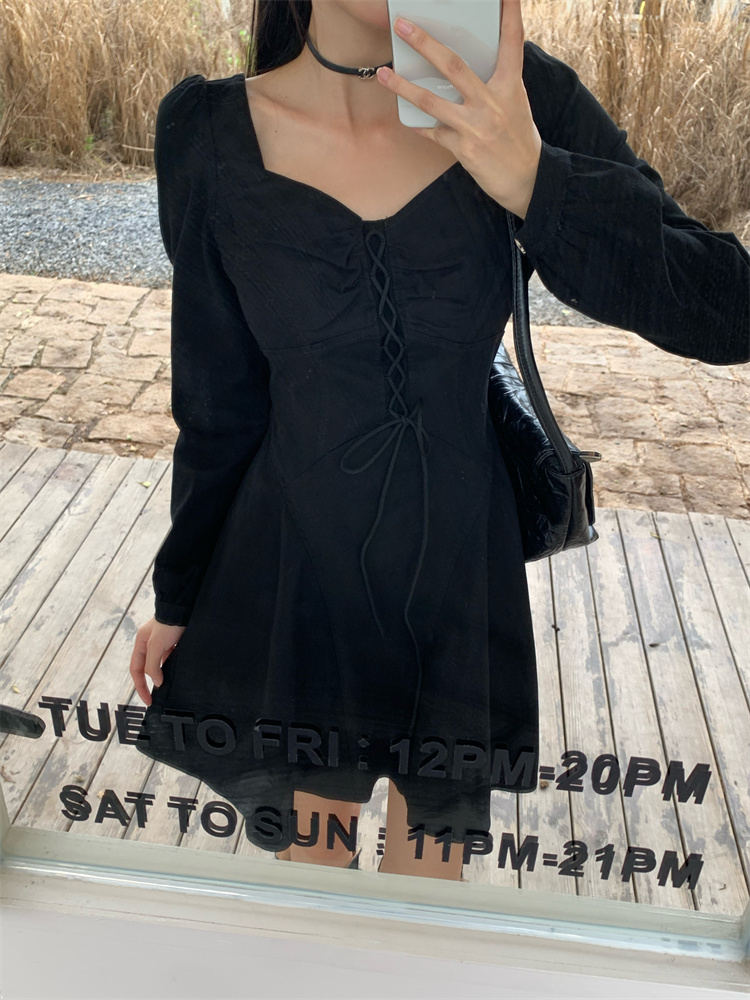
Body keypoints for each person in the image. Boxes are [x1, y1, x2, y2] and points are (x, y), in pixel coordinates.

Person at [129, 0, 750, 881]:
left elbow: (729, 308)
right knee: (315, 889)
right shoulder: (207, 132)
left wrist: (537, 180)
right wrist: (181, 593)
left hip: (459, 584)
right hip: (297, 577)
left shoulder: (515, 96)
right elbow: (219, 400)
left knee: (426, 901)